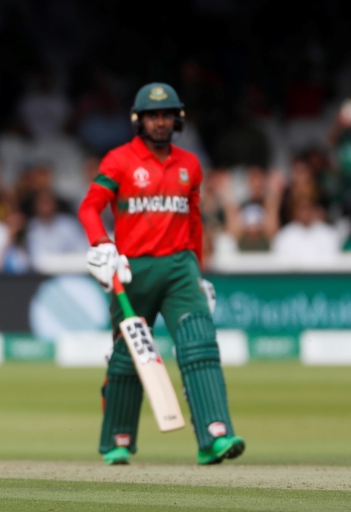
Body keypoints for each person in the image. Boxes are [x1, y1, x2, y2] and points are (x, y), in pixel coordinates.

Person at [78, 82, 245, 466]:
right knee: (127, 356)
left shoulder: (190, 164)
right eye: (153, 115)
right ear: (139, 119)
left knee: (199, 344)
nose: (160, 121)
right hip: (132, 269)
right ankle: (117, 440)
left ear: (178, 119)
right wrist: (103, 244)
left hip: (180, 267)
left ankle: (214, 436)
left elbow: (195, 223)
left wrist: (199, 273)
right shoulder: (118, 161)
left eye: (167, 114)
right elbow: (90, 208)